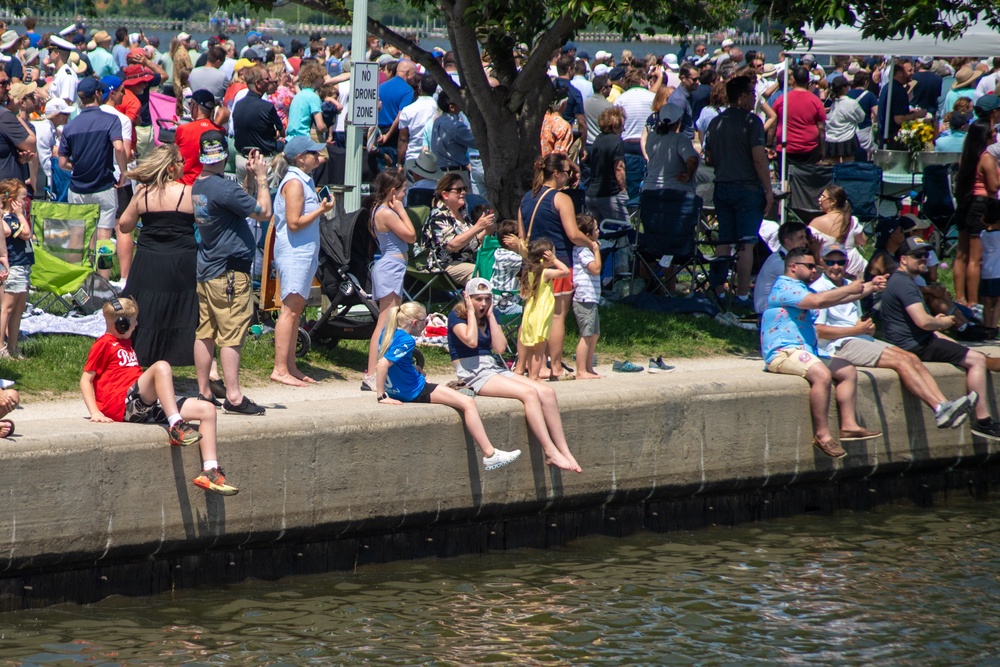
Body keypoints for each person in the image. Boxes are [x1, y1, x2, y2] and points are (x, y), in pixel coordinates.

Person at [80, 297, 239, 496]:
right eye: (134, 321)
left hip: (143, 405)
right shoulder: (104, 344)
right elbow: (86, 380)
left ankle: (210, 471)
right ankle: (175, 425)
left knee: (207, 410)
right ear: (122, 324)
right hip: (123, 405)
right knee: (161, 366)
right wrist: (94, 412)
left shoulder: (126, 342)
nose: (137, 324)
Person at [813, 243, 976, 430]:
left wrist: (866, 329)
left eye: (840, 261)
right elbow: (819, 330)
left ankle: (944, 404)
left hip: (860, 338)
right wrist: (856, 331)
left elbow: (853, 319)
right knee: (901, 361)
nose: (836, 266)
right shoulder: (818, 290)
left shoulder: (850, 286)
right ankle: (939, 408)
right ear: (822, 263)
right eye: (830, 262)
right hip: (838, 344)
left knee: (911, 358)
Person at [761, 247, 885, 457]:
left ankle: (848, 426)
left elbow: (833, 299)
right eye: (809, 266)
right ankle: (823, 436)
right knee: (822, 374)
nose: (814, 271)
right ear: (793, 267)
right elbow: (819, 302)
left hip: (805, 351)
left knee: (847, 369)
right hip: (782, 352)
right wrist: (851, 288)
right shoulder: (785, 287)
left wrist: (869, 287)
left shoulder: (802, 289)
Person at [448, 278, 581, 472]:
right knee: (529, 394)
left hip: (492, 367)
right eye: (478, 299)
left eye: (487, 299)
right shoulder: (456, 316)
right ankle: (550, 451)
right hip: (472, 373)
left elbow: (500, 348)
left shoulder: (488, 315)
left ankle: (565, 451)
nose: (483, 304)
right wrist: (470, 312)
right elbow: (471, 341)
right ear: (467, 298)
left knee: (547, 392)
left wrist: (492, 317)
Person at [375, 300, 522, 471]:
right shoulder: (407, 340)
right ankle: (490, 454)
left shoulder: (387, 332)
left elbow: (391, 363)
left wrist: (410, 371)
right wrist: (381, 397)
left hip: (397, 389)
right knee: (467, 403)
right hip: (413, 391)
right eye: (425, 321)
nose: (427, 325)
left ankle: (490, 453)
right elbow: (383, 365)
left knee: (429, 380)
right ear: (414, 323)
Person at [879, 237, 1000, 438]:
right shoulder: (904, 284)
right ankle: (983, 421)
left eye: (925, 255)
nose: (923, 259)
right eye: (917, 255)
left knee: (968, 352)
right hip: (914, 345)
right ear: (903, 259)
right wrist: (944, 323)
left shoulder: (902, 281)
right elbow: (923, 322)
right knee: (976, 360)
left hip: (916, 340)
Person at [192, 131, 271, 415]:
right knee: (232, 333)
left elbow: (238, 202)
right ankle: (234, 397)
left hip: (208, 269)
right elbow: (263, 212)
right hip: (229, 275)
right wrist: (262, 177)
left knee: (206, 332)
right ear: (225, 155)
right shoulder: (223, 188)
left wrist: (248, 179)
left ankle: (203, 391)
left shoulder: (201, 185)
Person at [118, 144, 198, 368]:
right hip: (182, 262)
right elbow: (206, 224)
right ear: (171, 167)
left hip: (149, 261)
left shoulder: (143, 193)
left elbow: (124, 225)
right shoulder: (188, 193)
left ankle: (139, 360)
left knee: (145, 310)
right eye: (181, 161)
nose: (185, 165)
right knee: (181, 311)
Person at [270, 136, 336, 386]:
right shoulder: (295, 183)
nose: (319, 157)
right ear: (301, 157)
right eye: (314, 153)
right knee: (289, 311)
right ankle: (279, 369)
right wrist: (321, 210)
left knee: (296, 311)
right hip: (295, 254)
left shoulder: (304, 180)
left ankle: (290, 366)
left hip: (303, 253)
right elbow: (294, 223)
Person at [518, 153, 589, 380]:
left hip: (530, 267)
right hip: (555, 263)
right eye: (568, 173)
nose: (570, 177)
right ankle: (555, 366)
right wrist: (593, 244)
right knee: (556, 316)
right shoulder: (561, 198)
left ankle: (524, 366)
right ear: (556, 174)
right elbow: (573, 234)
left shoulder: (526, 198)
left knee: (530, 315)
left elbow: (522, 238)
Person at [704, 75, 773, 312]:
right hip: (746, 187)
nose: (755, 98)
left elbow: (709, 157)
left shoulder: (715, 122)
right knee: (746, 242)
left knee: (724, 240)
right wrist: (769, 189)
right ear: (742, 97)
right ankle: (742, 294)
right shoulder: (751, 122)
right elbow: (758, 157)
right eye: (753, 94)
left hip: (722, 185)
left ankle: (718, 288)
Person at [58, 77, 126, 278]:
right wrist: (123, 172)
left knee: (78, 235)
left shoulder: (71, 125)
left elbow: (62, 163)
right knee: (104, 236)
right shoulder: (110, 120)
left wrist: (78, 166)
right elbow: (120, 147)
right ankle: (102, 281)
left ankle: (79, 278)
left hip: (78, 188)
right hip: (103, 186)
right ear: (98, 94)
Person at [364, 168, 416, 391]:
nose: (405, 195)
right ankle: (371, 374)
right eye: (403, 191)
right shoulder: (386, 212)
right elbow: (411, 235)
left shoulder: (380, 209)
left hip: (392, 266)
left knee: (388, 321)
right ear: (393, 192)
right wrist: (402, 210)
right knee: (385, 321)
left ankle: (378, 369)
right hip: (390, 267)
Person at [953, 118, 997, 314]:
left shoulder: (967, 155)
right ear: (984, 137)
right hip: (982, 205)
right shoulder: (986, 157)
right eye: (992, 132)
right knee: (976, 258)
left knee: (961, 254)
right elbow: (994, 186)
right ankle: (973, 302)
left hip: (965, 204)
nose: (995, 134)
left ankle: (960, 297)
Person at [420, 172, 494, 284]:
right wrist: (478, 227)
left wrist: (487, 229)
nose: (463, 192)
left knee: (494, 267)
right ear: (445, 195)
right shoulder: (438, 216)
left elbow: (474, 242)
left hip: (466, 261)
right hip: (443, 264)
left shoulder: (462, 213)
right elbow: (451, 246)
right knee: (479, 274)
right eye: (459, 190)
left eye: (464, 188)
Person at [518, 238, 570, 381]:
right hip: (541, 314)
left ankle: (530, 374)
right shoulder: (545, 273)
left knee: (531, 347)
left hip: (530, 313)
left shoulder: (529, 270)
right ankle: (534, 377)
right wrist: (554, 261)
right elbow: (565, 271)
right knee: (539, 350)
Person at [808, 185, 867, 278]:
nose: (819, 199)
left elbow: (808, 247)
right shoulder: (851, 219)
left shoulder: (817, 222)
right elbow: (863, 241)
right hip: (856, 267)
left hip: (831, 268)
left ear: (833, 201)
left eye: (823, 196)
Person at [772, 66, 826, 165]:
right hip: (809, 149)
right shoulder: (816, 101)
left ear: (793, 80)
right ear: (808, 81)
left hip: (786, 147)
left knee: (786, 179)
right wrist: (822, 148)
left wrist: (770, 144)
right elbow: (821, 127)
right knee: (806, 178)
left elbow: (773, 125)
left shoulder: (781, 100)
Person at [0, 179, 30, 359]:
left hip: (24, 266)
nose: (26, 202)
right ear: (13, 201)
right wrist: (20, 215)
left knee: (19, 309)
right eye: (23, 198)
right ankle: (1, 346)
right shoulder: (10, 219)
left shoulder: (14, 218)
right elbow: (26, 234)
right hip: (16, 266)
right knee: (7, 308)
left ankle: (13, 347)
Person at [753, 220, 809, 314]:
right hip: (766, 312)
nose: (806, 241)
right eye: (801, 238)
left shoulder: (784, 258)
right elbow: (810, 278)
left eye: (805, 237)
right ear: (787, 241)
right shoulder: (778, 261)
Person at [584, 106, 628, 223]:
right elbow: (619, 169)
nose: (623, 130)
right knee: (625, 229)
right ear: (614, 126)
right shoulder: (616, 141)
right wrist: (623, 190)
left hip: (591, 195)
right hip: (609, 195)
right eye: (622, 126)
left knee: (598, 232)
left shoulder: (597, 140)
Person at [174, 89, 226, 185]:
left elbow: (174, 158)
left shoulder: (183, 129)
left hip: (185, 184)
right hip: (210, 184)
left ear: (195, 106)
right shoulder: (221, 131)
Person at [572, 215, 602, 380]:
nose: (599, 231)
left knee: (594, 334)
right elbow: (595, 269)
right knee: (587, 334)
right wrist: (596, 251)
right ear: (588, 235)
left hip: (591, 298)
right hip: (584, 298)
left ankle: (589, 368)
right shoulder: (583, 250)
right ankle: (581, 370)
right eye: (596, 229)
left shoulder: (585, 250)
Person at [877, 59, 928, 149]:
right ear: (899, 73)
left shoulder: (888, 86)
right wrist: (917, 115)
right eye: (909, 70)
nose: (913, 72)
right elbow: (899, 119)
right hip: (894, 140)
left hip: (884, 137)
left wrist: (908, 111)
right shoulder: (899, 90)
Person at [429, 91, 476, 189]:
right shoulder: (455, 125)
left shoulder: (437, 121)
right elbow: (478, 142)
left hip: (440, 174)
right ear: (452, 107)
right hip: (456, 173)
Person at [397, 74, 438, 169]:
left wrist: (399, 163)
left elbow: (403, 139)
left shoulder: (407, 110)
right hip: (433, 160)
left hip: (412, 159)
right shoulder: (439, 110)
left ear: (419, 89)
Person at [824, 75, 863, 164]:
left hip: (831, 139)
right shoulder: (852, 103)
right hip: (847, 138)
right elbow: (861, 118)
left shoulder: (828, 102)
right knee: (848, 167)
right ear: (844, 88)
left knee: (831, 169)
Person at [286, 59, 328, 140]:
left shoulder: (298, 95)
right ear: (315, 78)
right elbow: (320, 126)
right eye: (322, 77)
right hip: (303, 140)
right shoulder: (313, 97)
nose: (324, 80)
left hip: (290, 139)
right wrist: (326, 130)